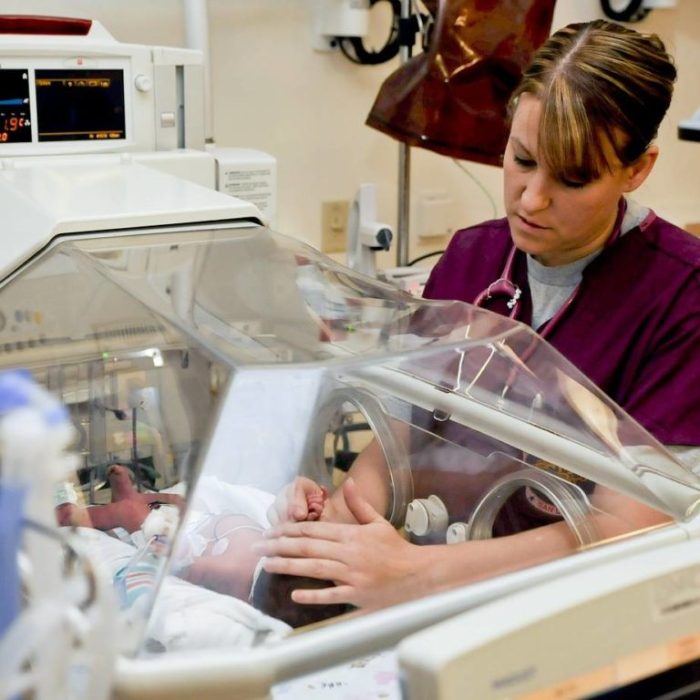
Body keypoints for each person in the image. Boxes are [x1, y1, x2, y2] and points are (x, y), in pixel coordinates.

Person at [254, 19, 700, 614]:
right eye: (521, 159)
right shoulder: (472, 258)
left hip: (574, 611)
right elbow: (404, 433)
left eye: (572, 178)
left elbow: (632, 525)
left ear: (637, 169)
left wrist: (418, 573)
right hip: (440, 576)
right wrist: (338, 519)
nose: (531, 198)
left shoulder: (681, 295)